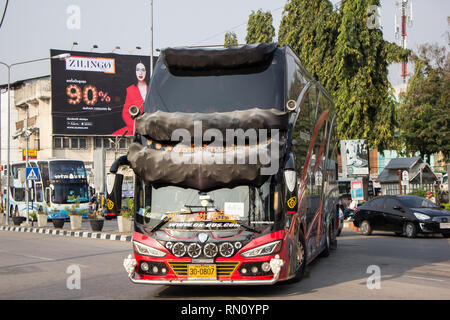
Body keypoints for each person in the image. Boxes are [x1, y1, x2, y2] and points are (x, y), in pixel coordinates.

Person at [113, 62, 149, 135]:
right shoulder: (130, 90)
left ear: (146, 72)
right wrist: (136, 127)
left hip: (150, 127)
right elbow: (125, 114)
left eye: (143, 70)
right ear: (134, 72)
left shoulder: (152, 89)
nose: (140, 73)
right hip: (134, 128)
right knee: (114, 137)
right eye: (138, 70)